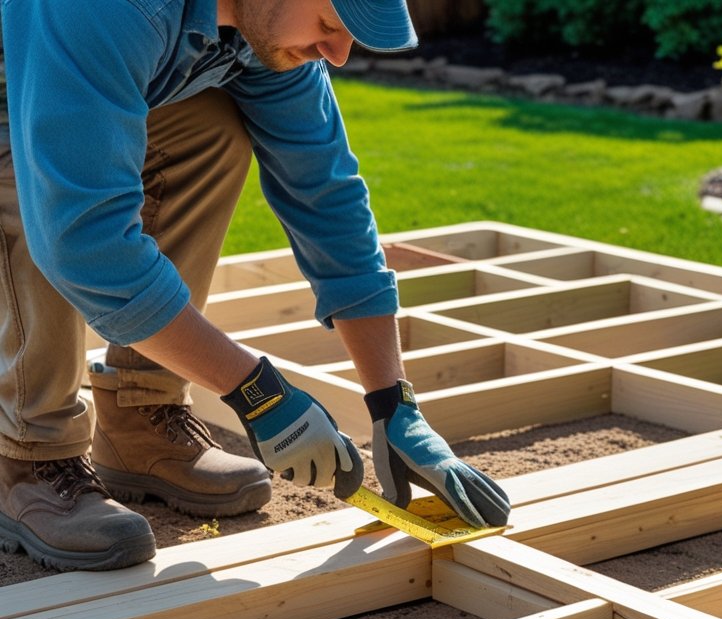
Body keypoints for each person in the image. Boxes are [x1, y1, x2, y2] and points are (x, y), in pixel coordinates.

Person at [0, 0, 510, 572]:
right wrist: (256, 392)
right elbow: (83, 242)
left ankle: (141, 415)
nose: (338, 55)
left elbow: (325, 192)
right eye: (330, 26)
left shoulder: (261, 26)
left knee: (209, 128)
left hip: (67, 74)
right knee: (42, 186)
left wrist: (395, 404)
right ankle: (27, 455)